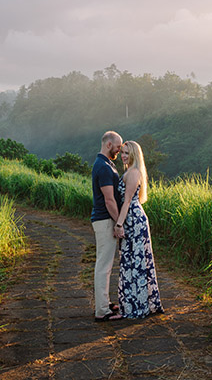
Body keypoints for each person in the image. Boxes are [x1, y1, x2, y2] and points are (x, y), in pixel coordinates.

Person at [114, 140, 164, 318]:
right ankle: (132, 302)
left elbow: (127, 201)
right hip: (132, 218)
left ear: (135, 154)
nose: (124, 155)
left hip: (134, 219)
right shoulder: (129, 171)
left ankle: (136, 305)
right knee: (131, 262)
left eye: (127, 153)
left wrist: (119, 224)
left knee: (135, 263)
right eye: (122, 153)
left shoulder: (134, 173)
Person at [91, 130, 124, 321]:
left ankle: (105, 302)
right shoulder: (103, 167)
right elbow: (109, 200)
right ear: (108, 144)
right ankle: (102, 311)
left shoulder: (106, 164)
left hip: (105, 219)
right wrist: (119, 223)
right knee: (103, 266)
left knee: (106, 265)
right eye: (118, 147)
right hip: (105, 220)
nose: (119, 150)